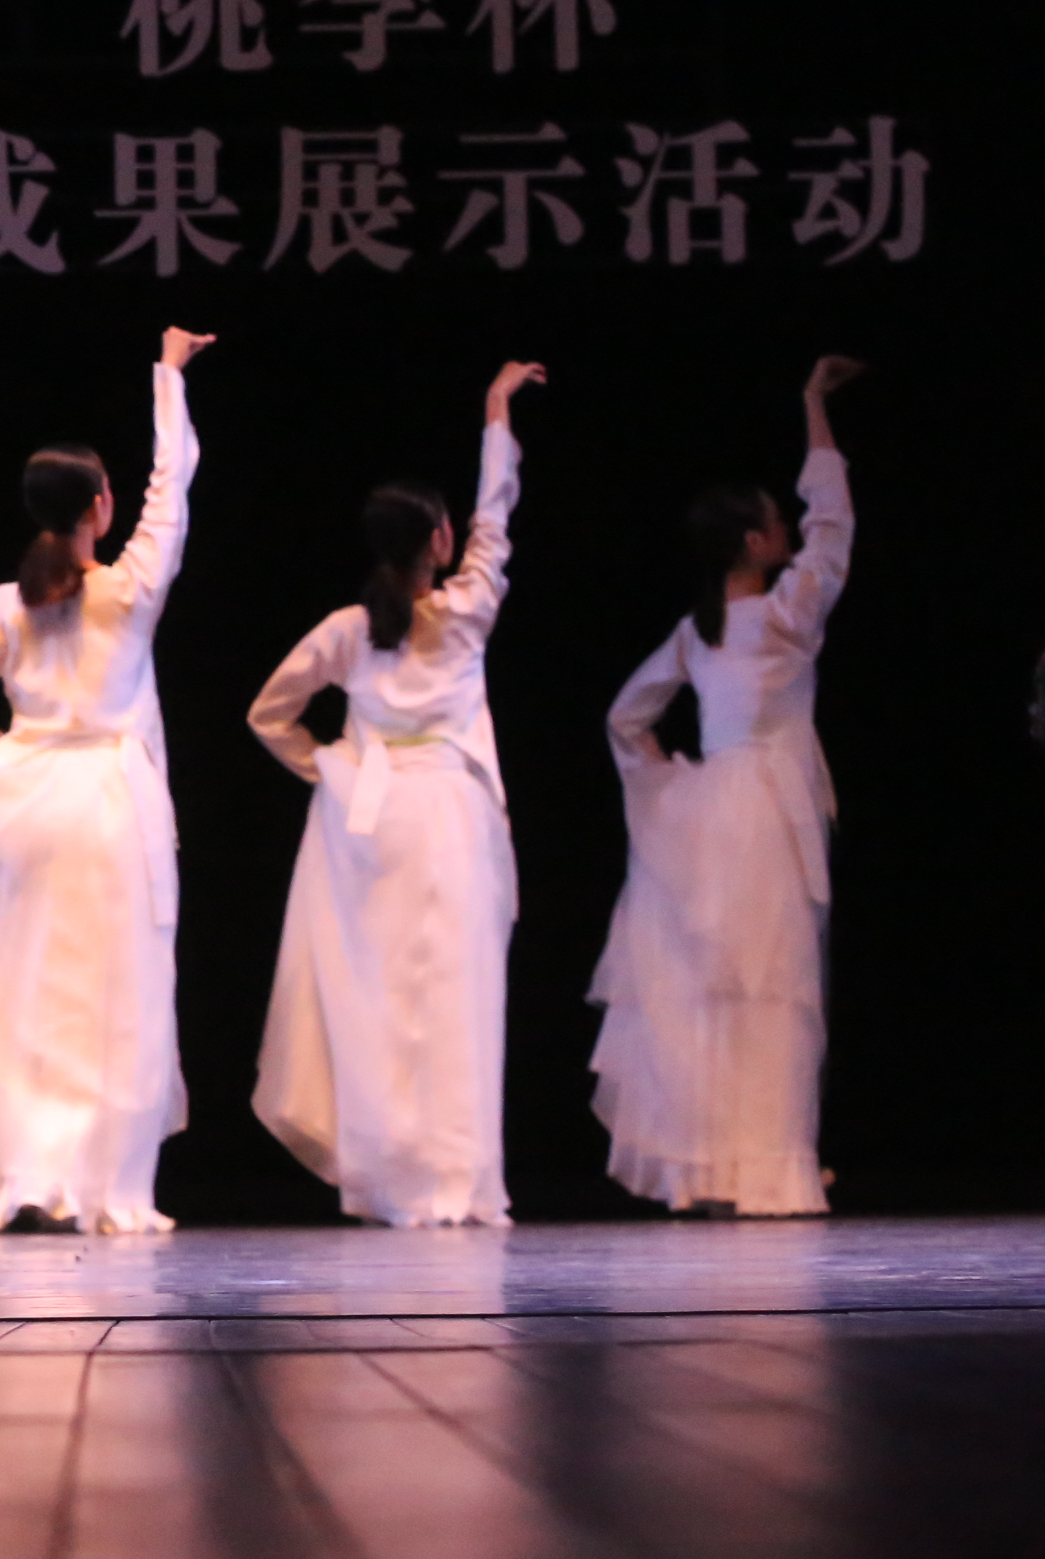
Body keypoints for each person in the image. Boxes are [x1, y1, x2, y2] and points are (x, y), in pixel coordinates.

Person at [0, 328, 211, 1236]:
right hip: (107, 803)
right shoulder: (128, 590)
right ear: (101, 507)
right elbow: (173, 487)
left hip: (21, 800)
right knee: (117, 995)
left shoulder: (4, 607)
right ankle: (103, 1185)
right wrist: (169, 374)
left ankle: (26, 1171)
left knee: (20, 991)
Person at [244, 361, 545, 1228]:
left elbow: (268, 715)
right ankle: (456, 1176)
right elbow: (498, 517)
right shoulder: (465, 611)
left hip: (374, 820)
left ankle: (387, 1176)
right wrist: (496, 412)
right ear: (439, 540)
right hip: (448, 814)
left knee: (380, 993)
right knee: (454, 998)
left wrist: (335, 770)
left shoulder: (350, 629)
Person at [587, 355, 866, 1218]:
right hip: (769, 814)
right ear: (754, 542)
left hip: (710, 818)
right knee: (774, 996)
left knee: (713, 996)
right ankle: (767, 1167)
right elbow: (834, 524)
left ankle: (709, 1169)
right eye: (774, 523)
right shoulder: (785, 615)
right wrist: (814, 406)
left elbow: (626, 718)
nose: (787, 533)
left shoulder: (698, 630)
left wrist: (668, 788)